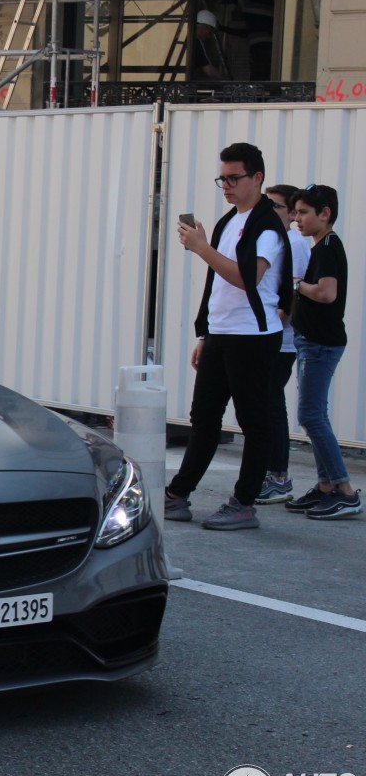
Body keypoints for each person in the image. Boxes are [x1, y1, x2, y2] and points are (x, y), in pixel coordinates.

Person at [164, 142, 291, 530]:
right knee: (203, 417)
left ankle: (244, 502)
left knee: (254, 422)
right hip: (223, 333)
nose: (227, 185)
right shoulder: (228, 220)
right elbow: (217, 285)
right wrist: (205, 332)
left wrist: (202, 249)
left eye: (234, 178)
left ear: (257, 178)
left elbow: (246, 277)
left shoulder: (268, 225)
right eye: (223, 178)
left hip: (253, 336)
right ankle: (177, 494)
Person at [284, 184, 360, 519]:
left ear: (324, 213)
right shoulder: (322, 246)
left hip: (320, 344)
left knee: (311, 415)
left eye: (303, 212)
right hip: (312, 342)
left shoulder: (328, 246)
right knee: (314, 414)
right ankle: (326, 486)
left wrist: (298, 284)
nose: (296, 219)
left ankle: (344, 490)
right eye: (295, 212)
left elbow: (327, 294)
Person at [254, 184, 311, 503]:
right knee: (265, 404)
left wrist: (278, 324)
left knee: (272, 405)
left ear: (291, 213)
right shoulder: (275, 240)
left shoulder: (295, 243)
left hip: (281, 341)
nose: (268, 210)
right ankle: (271, 472)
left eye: (275, 206)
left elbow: (294, 291)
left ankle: (278, 476)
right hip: (268, 337)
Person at [192, 10, 225, 81]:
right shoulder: (197, 42)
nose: (208, 36)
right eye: (210, 33)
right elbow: (209, 71)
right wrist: (225, 83)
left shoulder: (188, 38)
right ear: (204, 28)